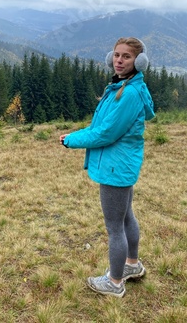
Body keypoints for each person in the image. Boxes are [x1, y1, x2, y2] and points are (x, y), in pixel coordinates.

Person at [59, 37, 155, 298]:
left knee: (115, 227)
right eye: (116, 55)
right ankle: (131, 266)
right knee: (125, 217)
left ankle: (114, 282)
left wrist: (70, 139)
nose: (119, 60)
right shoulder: (124, 86)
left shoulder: (129, 93)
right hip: (121, 165)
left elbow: (105, 133)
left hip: (115, 168)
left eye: (126, 56)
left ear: (139, 61)